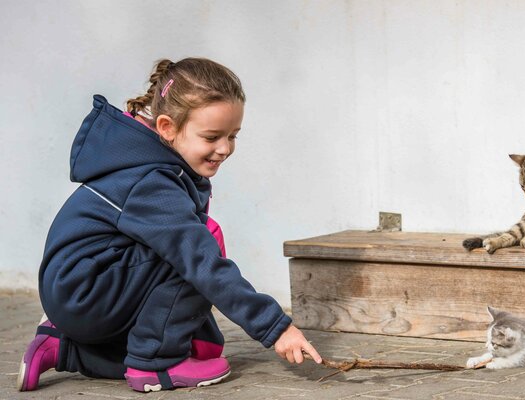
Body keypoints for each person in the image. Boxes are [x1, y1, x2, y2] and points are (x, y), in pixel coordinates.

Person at [17, 58, 322, 393]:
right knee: (203, 241)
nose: (224, 148)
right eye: (212, 136)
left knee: (205, 349)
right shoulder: (151, 181)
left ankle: (64, 348)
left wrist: (200, 339)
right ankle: (155, 366)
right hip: (86, 292)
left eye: (233, 135)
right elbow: (199, 261)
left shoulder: (155, 163)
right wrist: (275, 327)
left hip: (82, 291)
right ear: (167, 127)